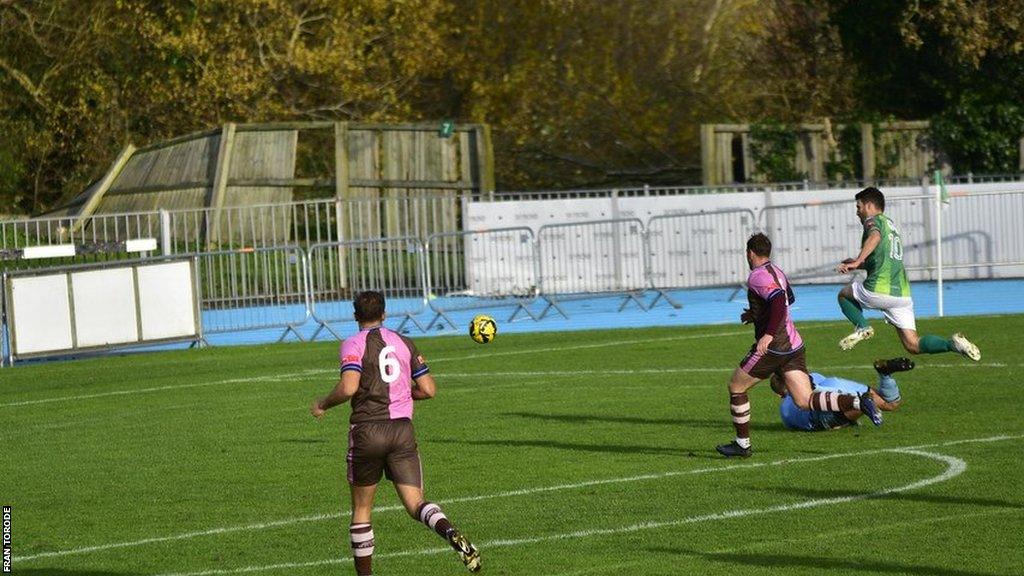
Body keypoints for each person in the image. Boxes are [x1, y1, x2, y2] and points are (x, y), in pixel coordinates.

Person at [311, 290, 481, 575]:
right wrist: (402, 394)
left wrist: (323, 404)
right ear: (384, 314)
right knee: (416, 504)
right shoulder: (404, 342)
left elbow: (349, 386)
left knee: (362, 510)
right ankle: (451, 532)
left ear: (355, 317)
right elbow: (429, 389)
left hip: (368, 430)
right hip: (402, 431)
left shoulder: (352, 343)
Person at [716, 233, 881, 458]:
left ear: (750, 253)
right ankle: (858, 401)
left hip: (775, 346)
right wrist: (755, 315)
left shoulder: (757, 276)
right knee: (804, 401)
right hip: (794, 346)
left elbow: (776, 301)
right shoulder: (778, 272)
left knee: (736, 387)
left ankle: (742, 444)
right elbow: (788, 299)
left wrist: (767, 334)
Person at [835, 186, 980, 361]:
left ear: (869, 206)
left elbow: (874, 237)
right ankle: (953, 344)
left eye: (858, 207)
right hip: (902, 296)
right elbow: (880, 260)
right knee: (913, 345)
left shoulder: (873, 221)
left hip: (878, 290)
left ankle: (862, 327)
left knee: (843, 295)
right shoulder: (891, 226)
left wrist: (858, 260)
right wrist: (857, 264)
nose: (857, 212)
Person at [773, 358, 913, 431]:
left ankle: (859, 402)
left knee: (854, 408)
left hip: (823, 405)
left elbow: (803, 423)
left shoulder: (785, 409)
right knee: (889, 403)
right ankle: (885, 375)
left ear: (780, 395)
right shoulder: (812, 376)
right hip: (831, 383)